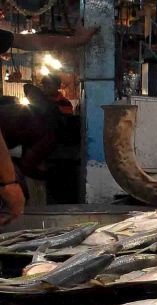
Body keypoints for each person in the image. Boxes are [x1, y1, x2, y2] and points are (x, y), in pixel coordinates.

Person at [0, 24, 97, 223]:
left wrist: (76, 42)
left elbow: (28, 41)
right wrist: (9, 183)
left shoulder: (45, 124)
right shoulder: (46, 132)